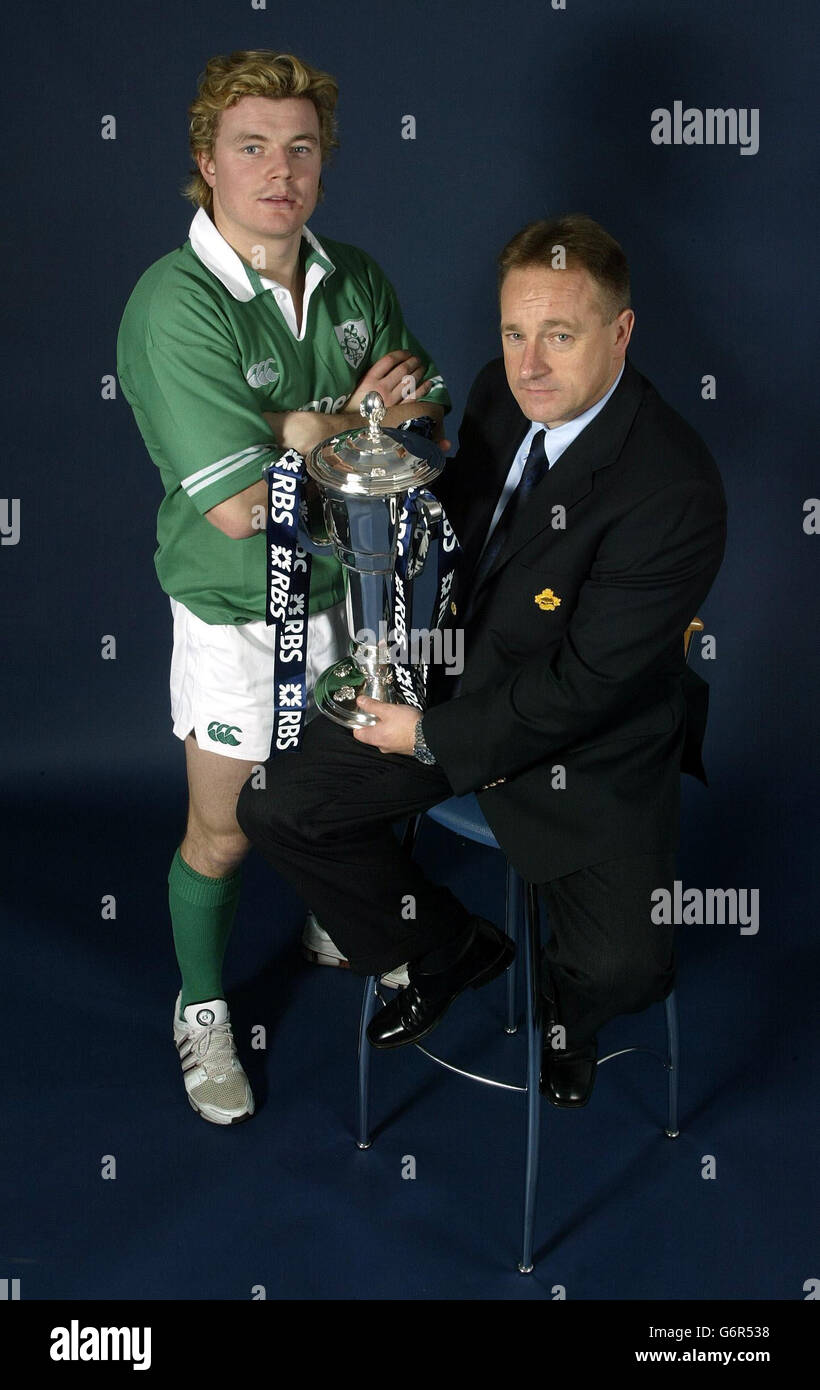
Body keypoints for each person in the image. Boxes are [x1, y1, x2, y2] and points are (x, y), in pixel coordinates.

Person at [236, 213, 727, 1109]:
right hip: (453, 678)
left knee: (620, 968)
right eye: (513, 333)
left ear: (620, 333)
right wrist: (369, 477)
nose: (529, 364)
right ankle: (443, 945)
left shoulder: (673, 490)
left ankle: (568, 1023)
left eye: (560, 335)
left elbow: (583, 688)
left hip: (587, 746)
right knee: (280, 806)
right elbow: (461, 526)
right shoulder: (504, 393)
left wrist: (430, 735)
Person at [116, 49, 449, 1125]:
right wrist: (326, 424)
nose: (279, 168)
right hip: (238, 609)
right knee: (224, 829)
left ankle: (333, 918)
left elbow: (422, 412)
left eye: (300, 148)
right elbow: (238, 506)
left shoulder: (351, 274)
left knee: (340, 800)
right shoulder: (173, 303)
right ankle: (203, 1007)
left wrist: (299, 430)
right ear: (206, 161)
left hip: (351, 593)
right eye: (252, 146)